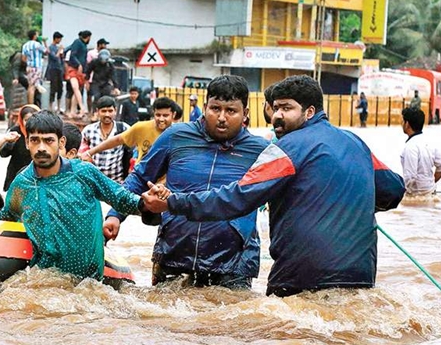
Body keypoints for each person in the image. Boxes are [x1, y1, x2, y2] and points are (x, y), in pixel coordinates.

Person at [141, 75, 405, 297]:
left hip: (299, 276)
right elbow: (393, 190)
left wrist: (173, 202)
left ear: (309, 112)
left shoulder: (285, 148)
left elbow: (238, 198)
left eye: (286, 109)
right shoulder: (356, 143)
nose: (277, 116)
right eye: (275, 108)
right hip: (360, 275)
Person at [106, 76, 270, 289]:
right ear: (204, 107)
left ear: (245, 113)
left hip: (233, 263)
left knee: (231, 320)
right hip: (174, 254)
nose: (221, 117)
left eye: (231, 111)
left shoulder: (260, 150)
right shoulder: (177, 136)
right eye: (215, 108)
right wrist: (114, 215)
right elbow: (140, 177)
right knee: (162, 318)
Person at [0, 111, 147, 281]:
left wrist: (147, 205)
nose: (41, 148)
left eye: (48, 140)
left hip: (89, 284)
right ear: (27, 143)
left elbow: (122, 199)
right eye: (35, 140)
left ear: (61, 142)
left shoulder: (84, 173)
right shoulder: (22, 184)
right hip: (45, 285)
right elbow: (5, 220)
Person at [84, 97, 178, 165]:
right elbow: (117, 140)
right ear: (153, 113)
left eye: (165, 116)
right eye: (158, 115)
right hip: (141, 180)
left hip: (166, 185)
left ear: (173, 115)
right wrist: (90, 152)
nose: (161, 119)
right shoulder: (141, 127)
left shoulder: (179, 134)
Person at [79, 96, 130, 182]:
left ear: (115, 111)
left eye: (110, 111)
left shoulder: (124, 128)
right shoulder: (88, 130)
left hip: (116, 182)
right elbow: (80, 152)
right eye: (103, 111)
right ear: (97, 111)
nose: (107, 114)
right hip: (93, 181)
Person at [400, 107, 441, 196]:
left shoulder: (410, 147)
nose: (401, 124)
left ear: (407, 124)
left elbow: (410, 177)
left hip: (415, 197)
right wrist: (429, 184)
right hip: (431, 192)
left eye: (402, 121)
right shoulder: (429, 142)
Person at [0, 104, 40, 190]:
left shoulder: (41, 134)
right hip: (15, 175)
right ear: (21, 120)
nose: (29, 123)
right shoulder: (15, 132)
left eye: (32, 120)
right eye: (26, 120)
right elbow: (3, 153)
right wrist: (10, 143)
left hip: (35, 177)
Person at [65, 30, 91, 118]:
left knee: (77, 91)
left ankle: (73, 111)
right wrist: (78, 64)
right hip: (74, 68)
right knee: (75, 88)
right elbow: (72, 54)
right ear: (88, 37)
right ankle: (82, 106)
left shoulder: (84, 45)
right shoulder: (77, 42)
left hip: (81, 70)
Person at [21, 30, 47, 105]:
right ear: (34, 36)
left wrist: (29, 62)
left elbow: (23, 58)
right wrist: (44, 42)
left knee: (30, 85)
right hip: (37, 67)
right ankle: (31, 105)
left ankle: (29, 104)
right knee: (32, 87)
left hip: (29, 67)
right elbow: (46, 51)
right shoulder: (37, 45)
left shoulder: (25, 45)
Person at [45, 31, 65, 113]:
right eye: (59, 38)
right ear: (56, 38)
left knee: (60, 88)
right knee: (53, 88)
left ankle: (59, 107)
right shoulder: (51, 47)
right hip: (53, 69)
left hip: (59, 69)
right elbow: (54, 57)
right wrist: (59, 50)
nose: (60, 40)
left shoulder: (56, 48)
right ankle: (50, 107)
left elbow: (60, 58)